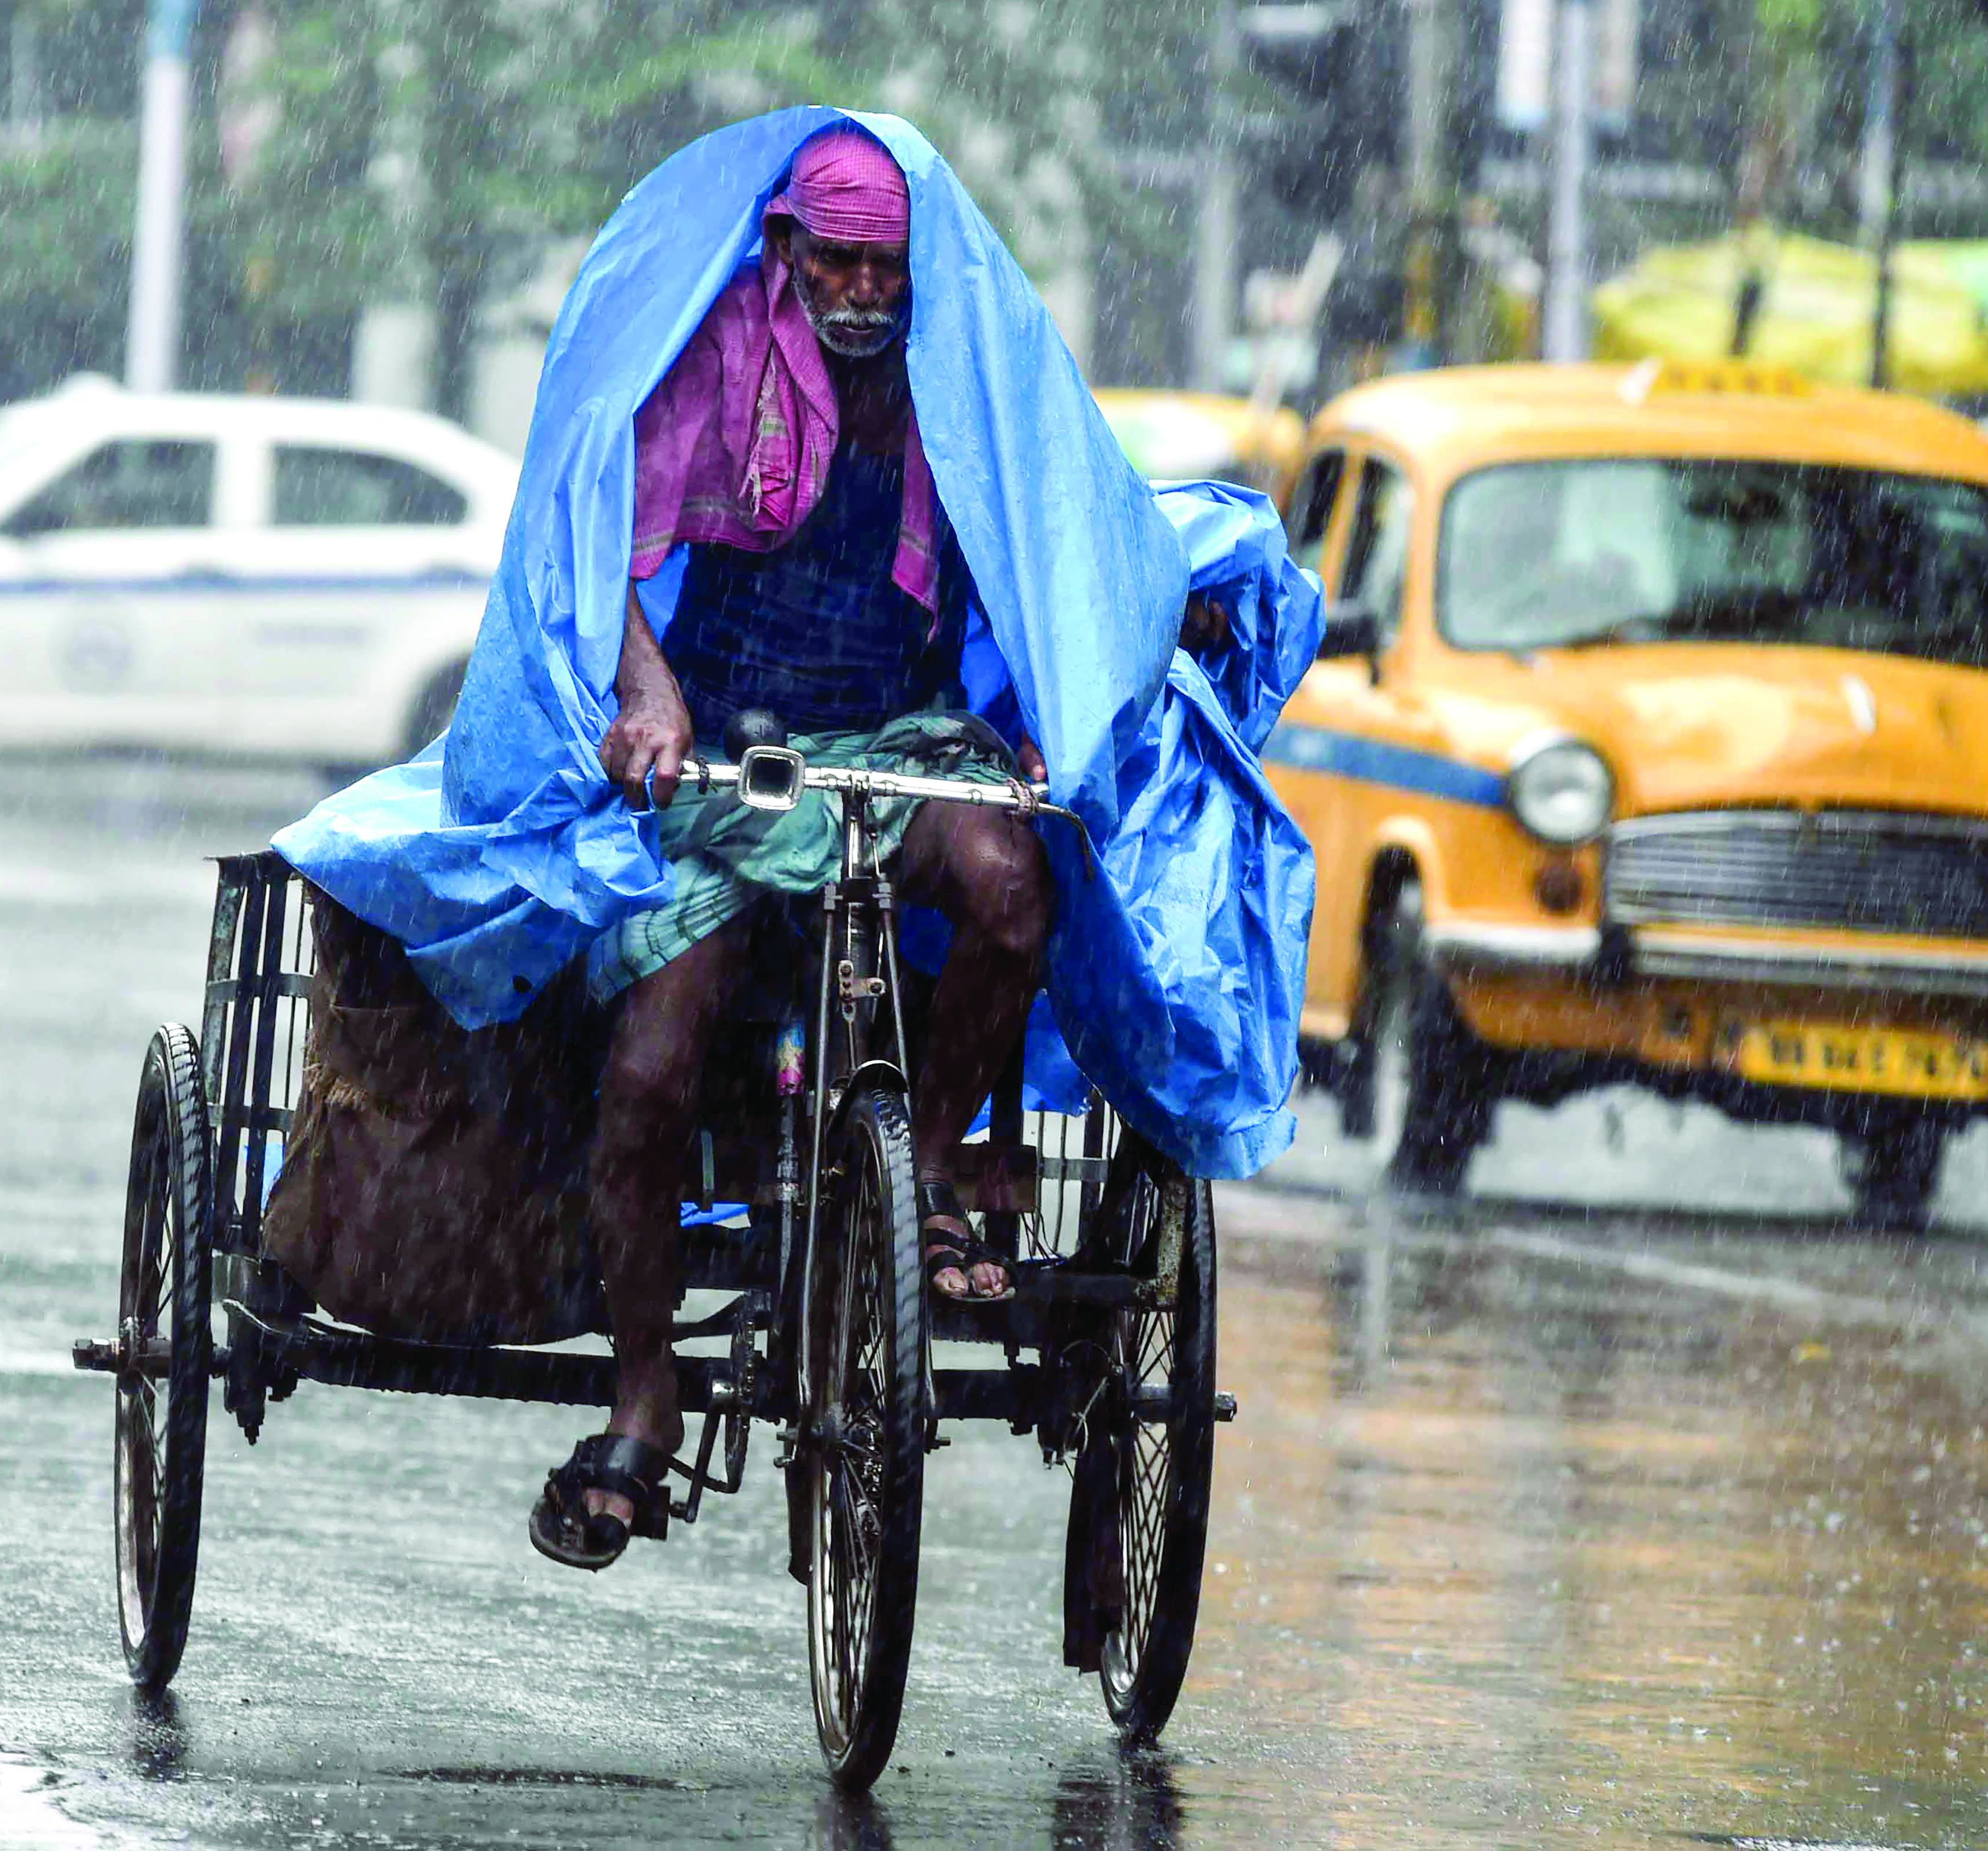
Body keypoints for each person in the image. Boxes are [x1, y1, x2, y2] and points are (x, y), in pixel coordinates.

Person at [268, 111, 1319, 1576]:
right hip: (724, 753)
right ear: (785, 251)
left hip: (895, 739)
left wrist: (1157, 616)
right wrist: (643, 693)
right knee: (645, 1072)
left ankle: (938, 1162)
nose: (865, 293)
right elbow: (601, 556)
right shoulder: (715, 368)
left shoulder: (966, 377)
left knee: (1014, 888)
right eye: (836, 263)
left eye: (885, 265)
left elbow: (1076, 531)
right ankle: (642, 1401)